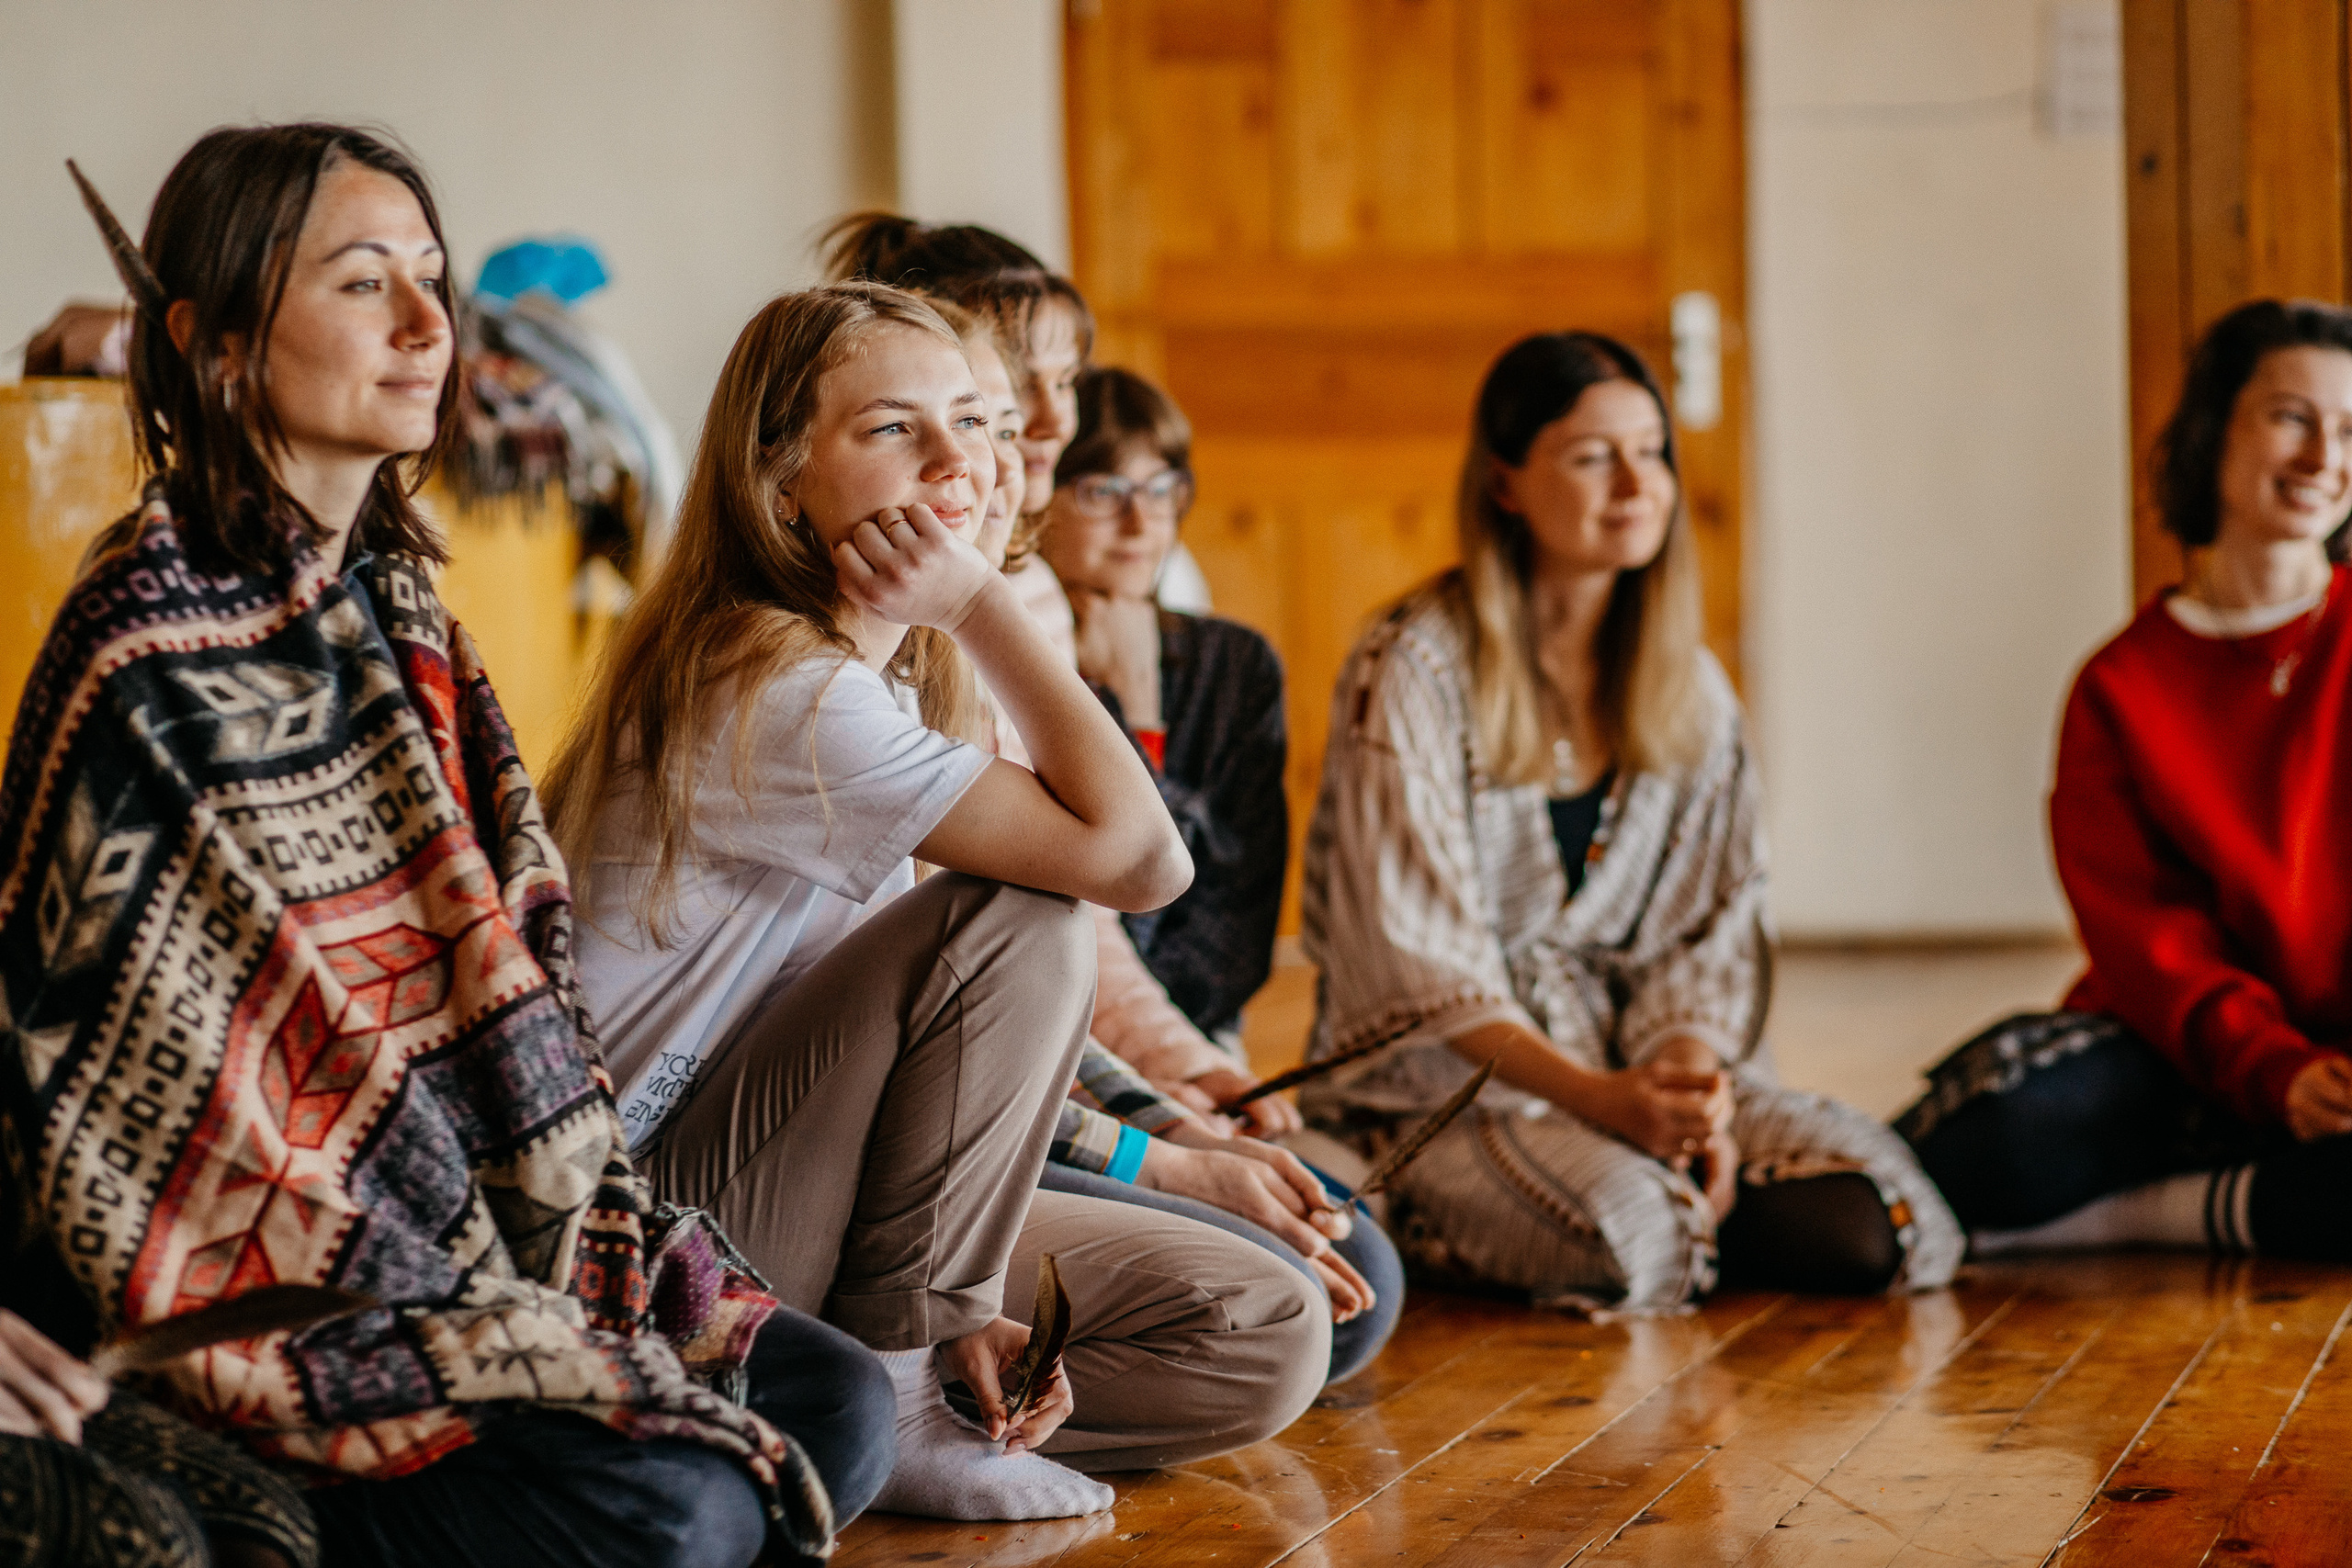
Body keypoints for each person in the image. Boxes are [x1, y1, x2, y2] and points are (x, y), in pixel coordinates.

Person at [0, 125, 883, 1568]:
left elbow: (502, 986)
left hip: (483, 1235)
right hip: (274, 1291)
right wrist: (424, 1266)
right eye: (366, 282)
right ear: (215, 340)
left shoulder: (405, 616)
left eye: (433, 278)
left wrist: (519, 1261)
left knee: (839, 1405)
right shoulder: (142, 645)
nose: (428, 324)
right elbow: (150, 1085)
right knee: (686, 1506)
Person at [545, 281, 1329, 1518]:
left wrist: (1156, 1152)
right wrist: (978, 602)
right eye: (892, 429)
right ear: (780, 482)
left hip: (812, 1186)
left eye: (968, 419)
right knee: (1028, 909)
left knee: (1266, 1321)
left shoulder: (889, 677)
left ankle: (886, 1397)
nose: (958, 459)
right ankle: (899, 1397)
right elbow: (1139, 863)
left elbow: (960, 1058)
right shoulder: (770, 682)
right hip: (652, 1219)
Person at [1298, 332, 1962, 1314]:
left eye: (1651, 452)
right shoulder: (1411, 667)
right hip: (1453, 1093)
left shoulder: (1687, 684)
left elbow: (1708, 933)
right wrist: (1597, 1101)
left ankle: (1680, 1197)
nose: (1635, 484)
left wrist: (1687, 1100)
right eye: (1590, 456)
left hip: (1634, 1076)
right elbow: (1419, 965)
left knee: (1884, 1211)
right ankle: (1441, 1206)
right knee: (1635, 1228)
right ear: (1505, 484)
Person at [818, 217, 1299, 1132]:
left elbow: (1092, 919)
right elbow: (1023, 931)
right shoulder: (859, 655)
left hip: (1044, 1071)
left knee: (1326, 1215)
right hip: (931, 1096)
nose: (1042, 427)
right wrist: (1151, 1135)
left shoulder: (1022, 593)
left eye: (1062, 382)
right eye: (989, 410)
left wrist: (1178, 1079)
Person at [1899, 299, 2352, 1262]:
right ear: (2213, 431)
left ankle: (2145, 1216)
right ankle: (2242, 1197)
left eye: (2350, 431)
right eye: (2292, 418)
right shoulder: (2121, 685)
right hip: (2188, 1050)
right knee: (2003, 1138)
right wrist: (2272, 1068)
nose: (2324, 457)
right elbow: (2147, 942)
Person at [1040, 367, 1284, 1053]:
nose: (1140, 522)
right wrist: (1126, 714)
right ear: (1037, 497)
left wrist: (1144, 708)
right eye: (1102, 491)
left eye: (1160, 489)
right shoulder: (1007, 668)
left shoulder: (1236, 666)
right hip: (1049, 1033)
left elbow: (1235, 943)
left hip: (1196, 1032)